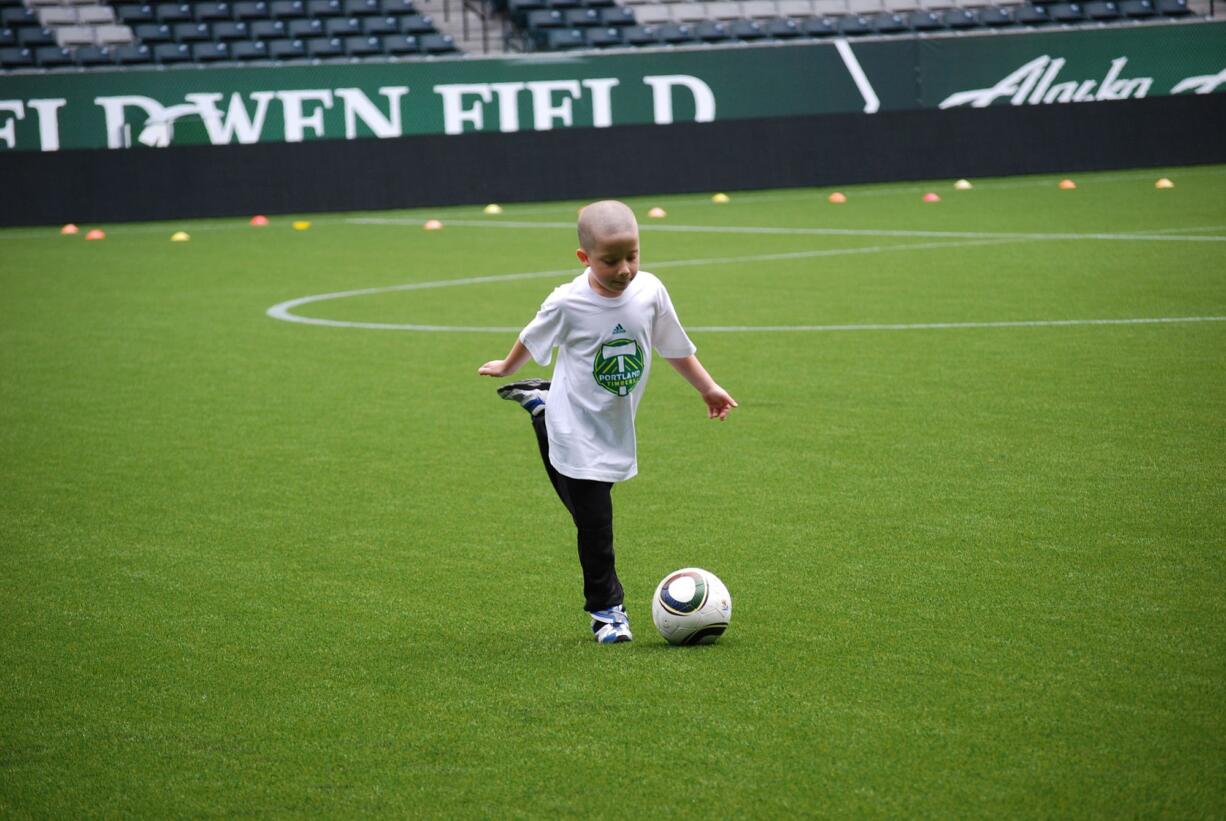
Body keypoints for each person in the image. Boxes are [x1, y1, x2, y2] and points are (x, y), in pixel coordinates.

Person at [477, 200, 737, 643]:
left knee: (587, 508)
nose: (624, 270)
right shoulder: (568, 301)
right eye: (610, 261)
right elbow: (532, 334)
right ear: (584, 258)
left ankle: (540, 408)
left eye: (632, 256)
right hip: (574, 423)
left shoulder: (651, 291)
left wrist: (707, 387)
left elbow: (673, 345)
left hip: (613, 425)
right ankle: (607, 611)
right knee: (596, 522)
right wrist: (507, 364)